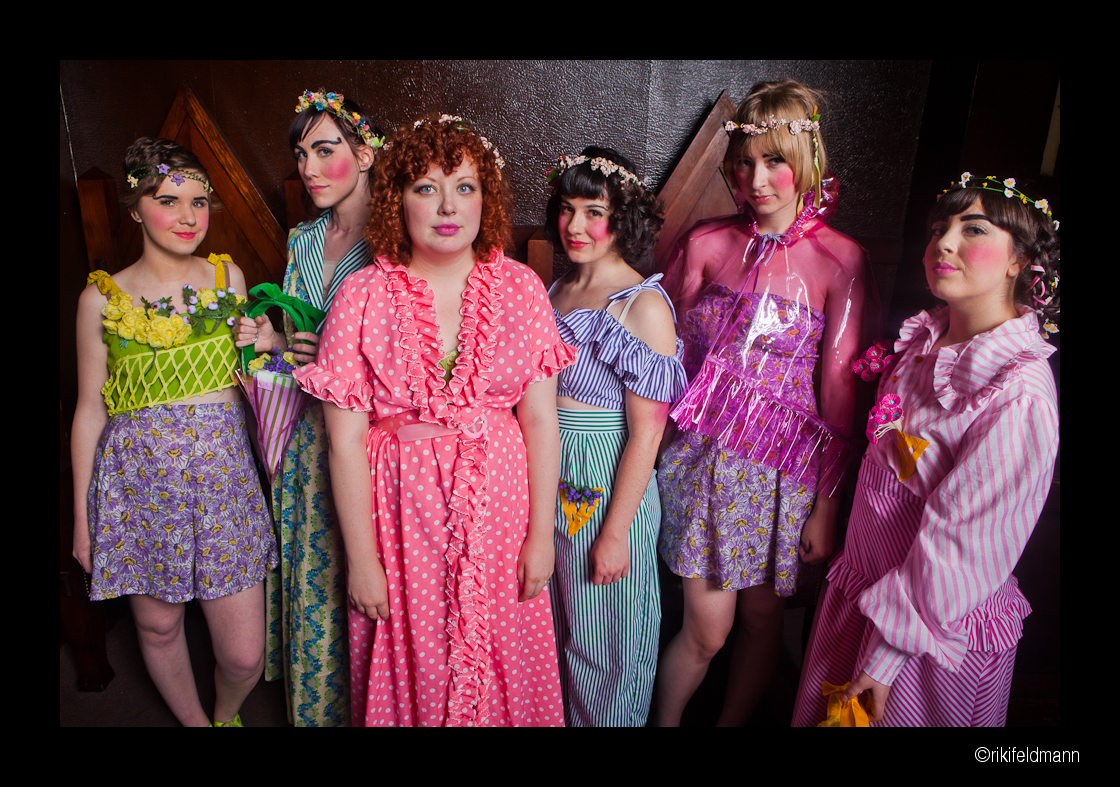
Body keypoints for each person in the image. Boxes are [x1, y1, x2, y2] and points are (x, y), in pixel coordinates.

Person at [293, 114, 576, 726]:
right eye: (426, 187)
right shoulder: (361, 296)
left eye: (464, 187)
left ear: (484, 198)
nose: (448, 206)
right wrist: (362, 560)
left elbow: (540, 422)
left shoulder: (522, 289)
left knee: (501, 650)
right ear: (397, 199)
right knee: (418, 656)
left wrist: (541, 537)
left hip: (502, 513)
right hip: (401, 516)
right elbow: (344, 444)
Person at [792, 174, 1060, 726]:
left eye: (974, 229)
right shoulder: (923, 343)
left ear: (1019, 261)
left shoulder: (1017, 393)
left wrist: (886, 657)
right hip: (863, 594)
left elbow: (965, 544)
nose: (944, 242)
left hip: (925, 633)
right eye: (939, 228)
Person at [654, 80, 878, 726]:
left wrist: (827, 506)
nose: (757, 180)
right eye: (745, 162)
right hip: (702, 462)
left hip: (784, 472)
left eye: (775, 160)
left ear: (807, 159)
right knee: (708, 629)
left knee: (761, 619)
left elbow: (838, 392)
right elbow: (662, 355)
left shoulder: (841, 260)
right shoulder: (705, 244)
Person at [72, 138, 277, 727]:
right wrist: (84, 519)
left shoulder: (227, 277)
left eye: (199, 202)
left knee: (244, 655)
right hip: (140, 485)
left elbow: (257, 378)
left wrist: (271, 341)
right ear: (136, 209)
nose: (188, 217)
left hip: (223, 483)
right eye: (168, 200)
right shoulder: (99, 299)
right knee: (159, 626)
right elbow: (89, 410)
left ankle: (226, 712)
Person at [236, 88, 383, 727]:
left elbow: (415, 346)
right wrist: (273, 338)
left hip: (368, 435)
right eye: (301, 155)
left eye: (326, 151)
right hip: (302, 429)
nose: (309, 168)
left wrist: (334, 349)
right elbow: (298, 333)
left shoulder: (395, 235)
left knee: (367, 574)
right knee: (312, 576)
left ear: (366, 153)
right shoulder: (304, 237)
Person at [544, 147, 685, 726]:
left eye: (593, 212)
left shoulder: (642, 306)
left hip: (605, 483)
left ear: (622, 219)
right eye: (567, 208)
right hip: (548, 475)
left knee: (607, 643)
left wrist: (615, 533)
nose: (575, 225)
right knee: (556, 632)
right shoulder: (555, 291)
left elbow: (647, 435)